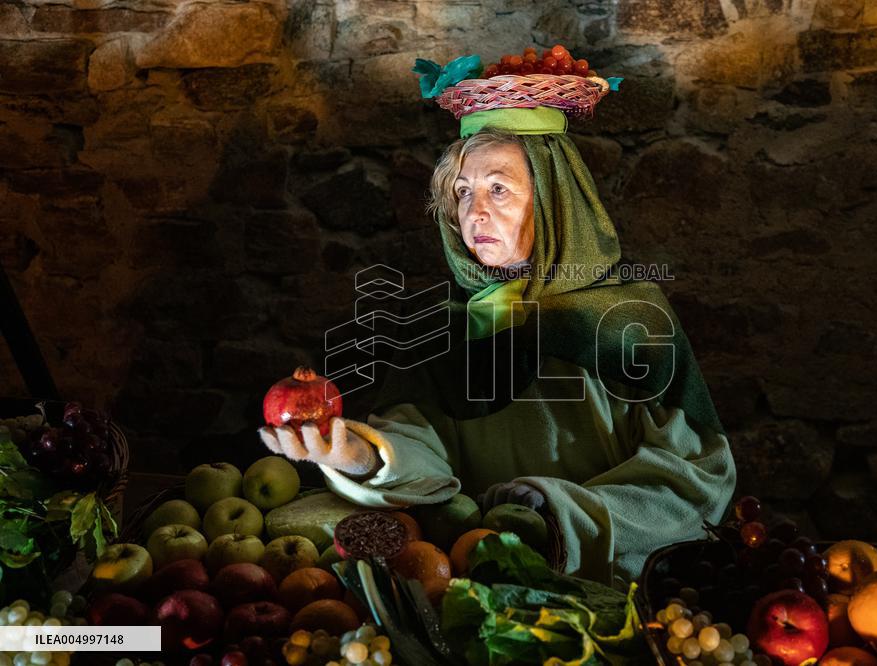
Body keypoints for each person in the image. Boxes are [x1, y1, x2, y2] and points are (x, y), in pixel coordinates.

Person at [259, 104, 737, 588]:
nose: (474, 211)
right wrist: (364, 457)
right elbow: (421, 446)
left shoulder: (630, 322)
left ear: (553, 202)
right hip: (476, 583)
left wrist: (559, 511)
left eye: (499, 189)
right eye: (463, 192)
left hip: (613, 590)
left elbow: (697, 483)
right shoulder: (445, 324)